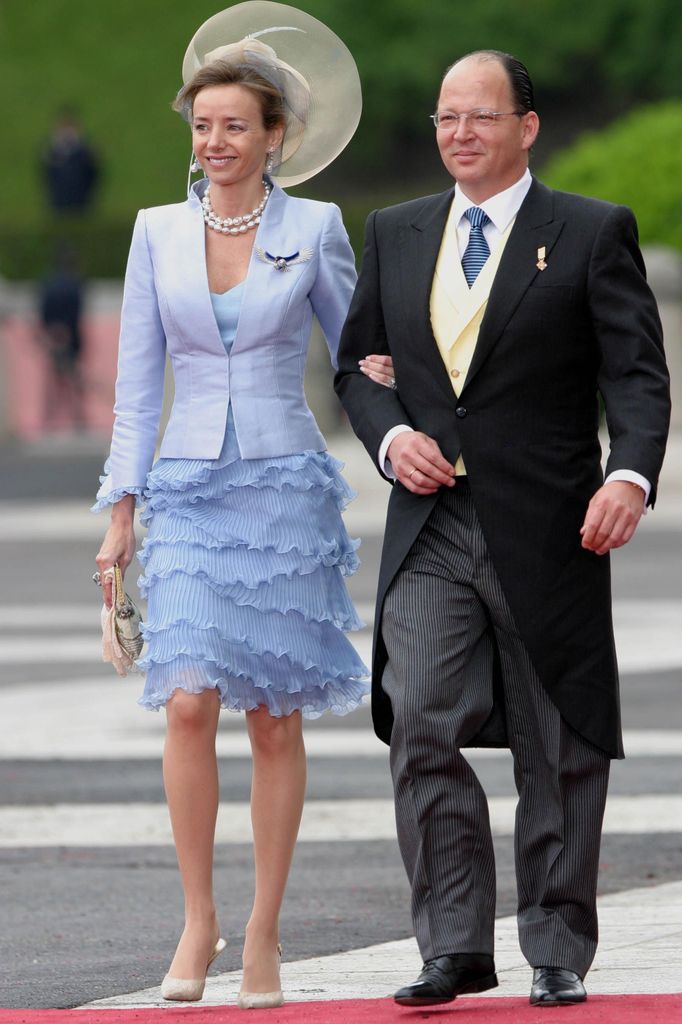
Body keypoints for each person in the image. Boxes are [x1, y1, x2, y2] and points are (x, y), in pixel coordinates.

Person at [336, 50, 671, 1008]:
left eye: (480, 116)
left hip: (553, 523)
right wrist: (392, 432)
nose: (459, 134)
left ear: (527, 127)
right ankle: (453, 946)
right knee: (423, 721)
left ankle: (556, 944)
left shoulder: (591, 232)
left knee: (556, 738)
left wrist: (631, 475)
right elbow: (360, 366)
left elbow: (637, 378)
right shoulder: (394, 232)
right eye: (445, 118)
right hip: (431, 523)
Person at [93, 2, 384, 1009]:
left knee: (270, 717)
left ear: (274, 137)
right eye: (201, 126)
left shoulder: (315, 230)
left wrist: (409, 432)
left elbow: (358, 359)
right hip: (184, 485)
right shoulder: (154, 235)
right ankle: (198, 918)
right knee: (185, 700)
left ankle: (262, 931)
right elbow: (136, 383)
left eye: (233, 126)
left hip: (281, 485)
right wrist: (120, 509)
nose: (214, 143)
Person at [41, 106, 100, 214]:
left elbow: (93, 177)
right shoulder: (52, 154)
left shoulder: (86, 154)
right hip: (58, 206)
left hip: (82, 206)